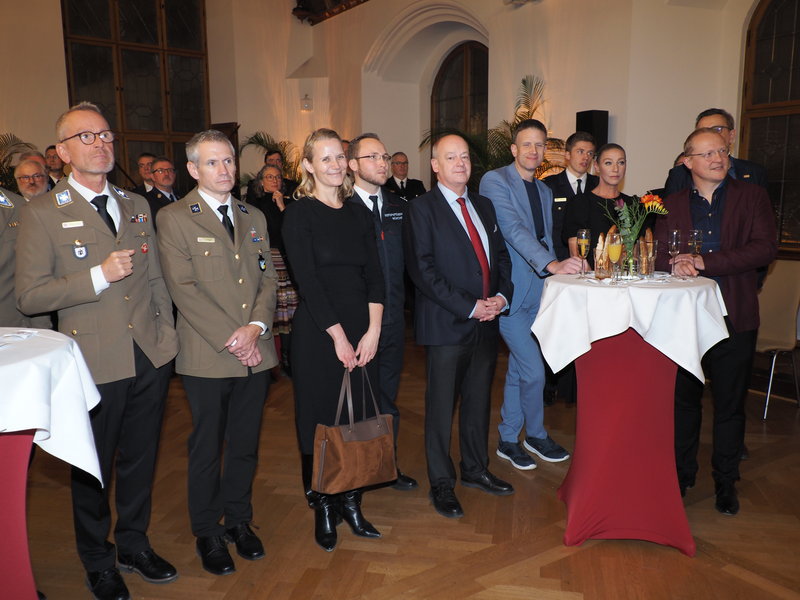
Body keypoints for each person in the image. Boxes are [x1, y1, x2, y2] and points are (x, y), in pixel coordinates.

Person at [15, 101, 179, 600]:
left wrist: (166, 339)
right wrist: (97, 276)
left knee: (140, 461)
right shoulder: (42, 212)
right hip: (92, 362)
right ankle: (97, 559)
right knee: (93, 468)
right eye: (86, 137)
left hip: (148, 354)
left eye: (105, 134)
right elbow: (30, 296)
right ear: (63, 152)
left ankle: (133, 544)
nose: (101, 143)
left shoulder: (136, 204)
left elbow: (155, 279)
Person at [156, 130, 278, 575]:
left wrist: (256, 328)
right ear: (193, 169)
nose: (224, 170)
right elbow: (183, 289)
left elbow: (267, 278)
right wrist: (235, 337)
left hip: (256, 350)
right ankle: (207, 531)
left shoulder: (253, 215)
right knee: (207, 446)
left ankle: (239, 521)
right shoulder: (174, 218)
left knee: (245, 443)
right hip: (208, 354)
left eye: (228, 160)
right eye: (212, 162)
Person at [654, 127, 777, 515]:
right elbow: (658, 255)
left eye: (722, 151)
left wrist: (704, 261)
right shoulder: (670, 204)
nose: (718, 158)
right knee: (684, 404)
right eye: (707, 154)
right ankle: (680, 476)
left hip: (734, 315)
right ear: (687, 161)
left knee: (730, 405)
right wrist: (675, 262)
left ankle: (726, 481)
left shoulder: (751, 196)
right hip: (684, 320)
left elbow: (763, 249)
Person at [282, 128, 385, 552]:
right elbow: (308, 282)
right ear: (308, 165)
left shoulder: (359, 213)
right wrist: (339, 338)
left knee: (356, 419)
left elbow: (375, 276)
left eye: (340, 157)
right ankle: (324, 504)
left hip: (363, 332)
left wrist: (373, 331)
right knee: (320, 420)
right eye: (325, 158)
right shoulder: (299, 214)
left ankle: (352, 502)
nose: (336, 165)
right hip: (319, 333)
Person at [403, 133, 514, 519]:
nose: (461, 163)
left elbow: (501, 258)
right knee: (440, 408)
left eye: (464, 156)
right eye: (451, 157)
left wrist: (501, 298)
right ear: (435, 166)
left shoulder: (483, 204)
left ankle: (475, 469)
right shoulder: (421, 209)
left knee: (479, 400)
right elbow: (423, 271)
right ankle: (441, 483)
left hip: (487, 322)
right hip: (447, 324)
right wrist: (470, 307)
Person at [479, 119, 581, 471]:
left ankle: (509, 439)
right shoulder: (494, 181)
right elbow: (513, 229)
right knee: (534, 371)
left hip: (542, 293)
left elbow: (546, 238)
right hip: (509, 293)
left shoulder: (544, 190)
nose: (534, 151)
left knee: (520, 370)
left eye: (540, 145)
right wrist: (552, 263)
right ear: (513, 149)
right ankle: (536, 434)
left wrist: (566, 266)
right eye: (527, 144)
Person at [346, 133, 418, 491]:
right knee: (356, 399)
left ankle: (386, 466)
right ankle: (354, 472)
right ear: (352, 165)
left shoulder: (399, 206)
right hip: (355, 323)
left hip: (392, 321)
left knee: (388, 397)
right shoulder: (341, 208)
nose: (382, 163)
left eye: (385, 156)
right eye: (372, 156)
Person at [246, 163, 298, 373]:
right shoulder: (254, 205)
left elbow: (292, 231)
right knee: (270, 310)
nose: (275, 180)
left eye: (278, 177)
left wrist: (282, 205)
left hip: (287, 260)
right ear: (261, 182)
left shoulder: (289, 203)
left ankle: (289, 359)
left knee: (288, 312)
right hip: (267, 260)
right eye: (270, 177)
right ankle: (271, 361)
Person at [663, 108, 767, 196]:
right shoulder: (679, 175)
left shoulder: (754, 172)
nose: (710, 135)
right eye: (703, 131)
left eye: (717, 129)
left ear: (731, 136)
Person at [562, 143, 630, 266]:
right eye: (608, 163)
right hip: (589, 276)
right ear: (596, 167)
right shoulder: (579, 203)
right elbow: (577, 255)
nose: (615, 169)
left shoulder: (632, 204)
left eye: (621, 162)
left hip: (625, 276)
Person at [542, 131, 598, 261]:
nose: (586, 157)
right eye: (580, 151)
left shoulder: (598, 185)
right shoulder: (549, 185)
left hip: (591, 262)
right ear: (567, 154)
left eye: (590, 153)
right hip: (558, 260)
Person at [144, 156, 179, 228]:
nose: (166, 174)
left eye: (170, 170)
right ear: (152, 176)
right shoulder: (146, 201)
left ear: (174, 174)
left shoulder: (183, 196)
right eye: (160, 171)